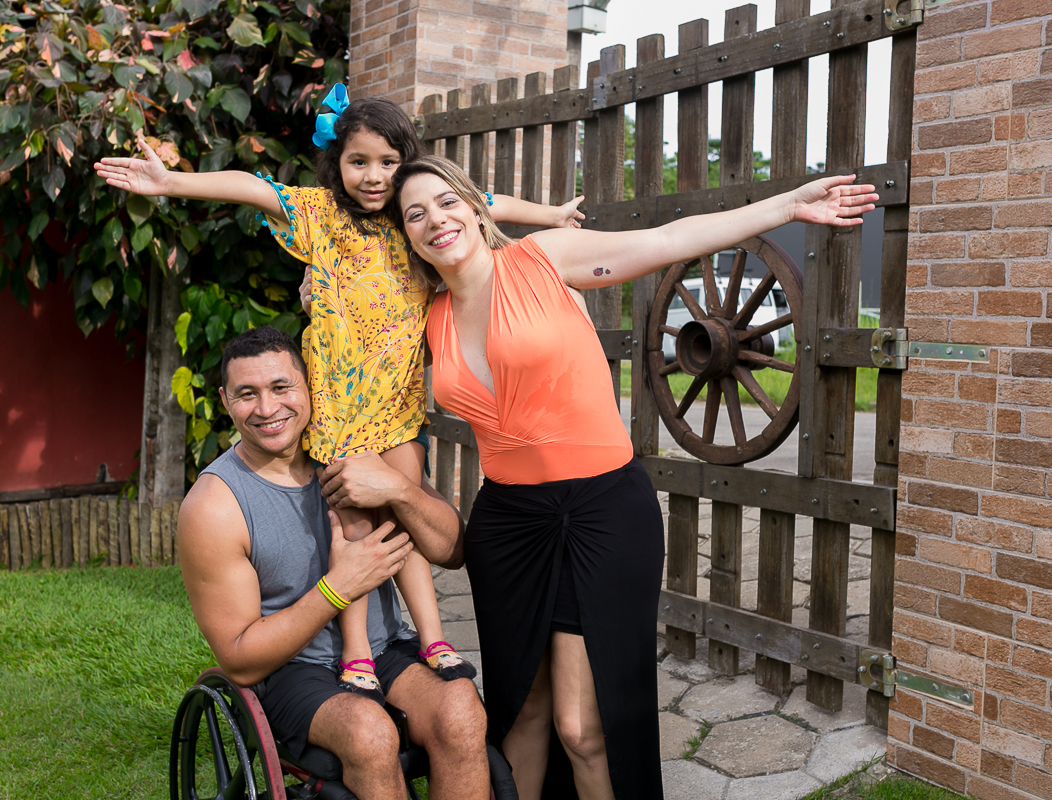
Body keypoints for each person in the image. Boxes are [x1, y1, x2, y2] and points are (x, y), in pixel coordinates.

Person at [330, 154, 872, 800]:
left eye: (447, 202)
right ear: (406, 235)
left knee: (584, 726)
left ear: (478, 208)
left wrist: (786, 206)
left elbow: (667, 240)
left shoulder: (542, 260)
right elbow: (354, 361)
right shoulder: (432, 318)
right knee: (520, 714)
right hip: (508, 527)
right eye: (414, 214)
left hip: (601, 511)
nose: (434, 219)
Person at [94, 86, 584, 704]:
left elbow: (484, 201)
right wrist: (172, 185)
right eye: (359, 161)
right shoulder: (321, 216)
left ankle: (433, 638)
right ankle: (356, 652)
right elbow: (252, 186)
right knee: (352, 527)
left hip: (399, 410)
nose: (374, 176)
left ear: (406, 161)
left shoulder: (417, 222)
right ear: (337, 163)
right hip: (338, 409)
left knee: (405, 514)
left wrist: (551, 216)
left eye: (387, 162)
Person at [177, 325, 491, 799]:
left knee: (461, 709)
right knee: (369, 732)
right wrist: (336, 589)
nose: (267, 409)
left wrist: (401, 490)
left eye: (281, 387)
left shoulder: (359, 451)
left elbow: (451, 551)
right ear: (225, 400)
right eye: (247, 394)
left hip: (383, 649)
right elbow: (240, 660)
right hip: (292, 669)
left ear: (310, 384)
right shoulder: (214, 506)